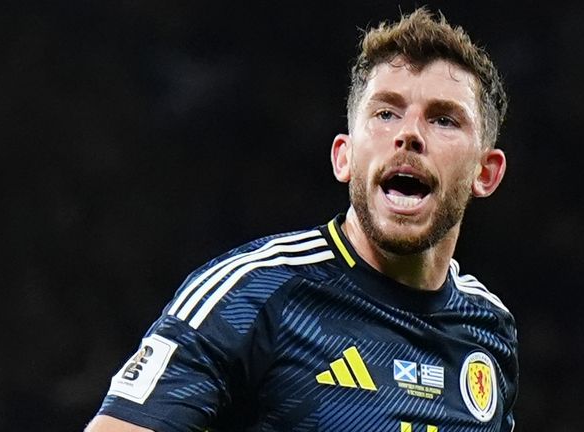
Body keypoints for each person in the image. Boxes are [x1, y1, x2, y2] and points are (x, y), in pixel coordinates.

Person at [87, 7, 518, 432]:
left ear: (486, 172)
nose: (409, 134)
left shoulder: (488, 330)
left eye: (443, 119)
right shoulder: (252, 295)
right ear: (344, 157)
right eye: (385, 113)